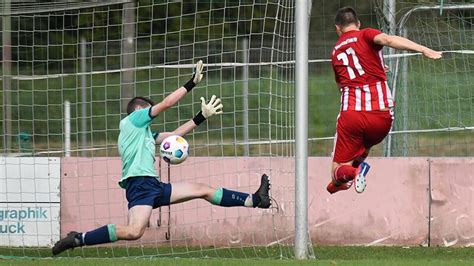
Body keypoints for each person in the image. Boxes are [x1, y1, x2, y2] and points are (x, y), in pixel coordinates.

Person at [52, 60, 271, 255]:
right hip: (140, 185)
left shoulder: (143, 134)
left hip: (152, 186)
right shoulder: (133, 121)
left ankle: (256, 200)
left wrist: (201, 116)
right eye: (149, 109)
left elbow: (174, 136)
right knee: (133, 232)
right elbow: (166, 103)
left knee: (203, 189)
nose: (152, 113)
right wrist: (191, 83)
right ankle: (78, 239)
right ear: (139, 109)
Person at [327, 7, 442, 194]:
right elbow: (387, 40)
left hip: (353, 116)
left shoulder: (335, 52)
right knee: (361, 150)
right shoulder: (366, 34)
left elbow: (342, 85)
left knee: (336, 171)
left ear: (337, 29)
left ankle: (354, 173)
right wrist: (423, 49)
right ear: (358, 24)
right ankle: (346, 179)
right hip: (382, 117)